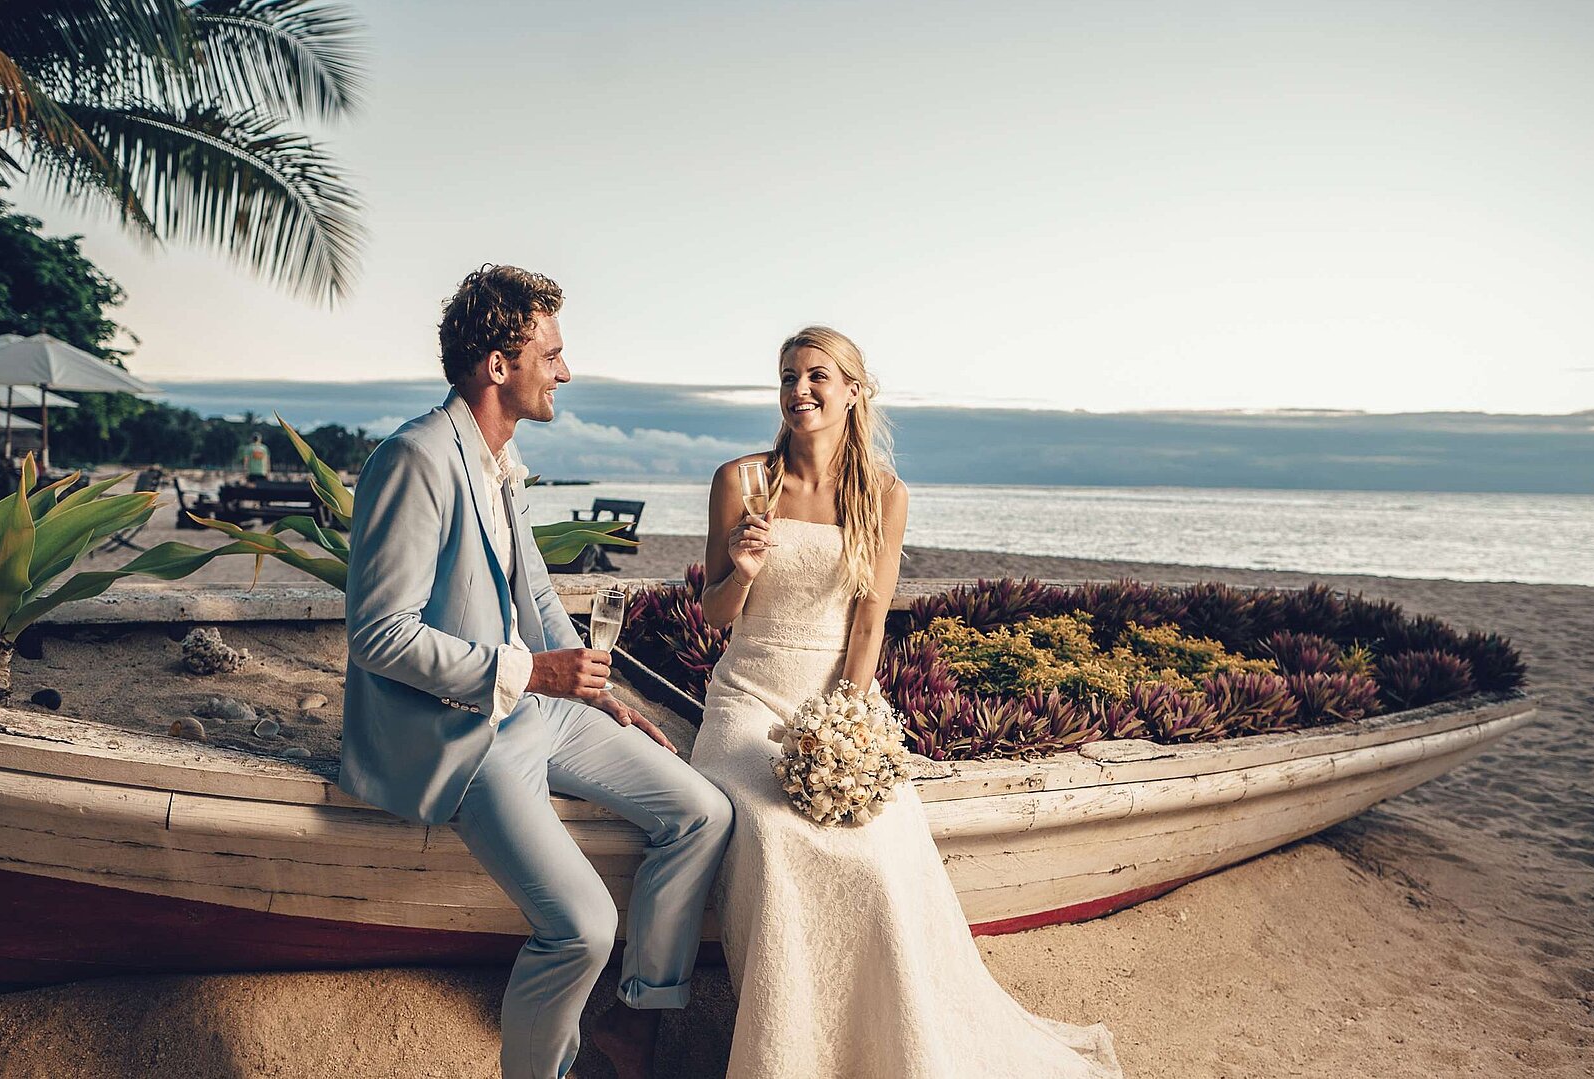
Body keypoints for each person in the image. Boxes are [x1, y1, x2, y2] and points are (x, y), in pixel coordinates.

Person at [692, 327, 1123, 1078]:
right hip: (747, 701)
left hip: (834, 702)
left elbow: (868, 625)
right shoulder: (740, 480)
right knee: (773, 833)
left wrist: (843, 728)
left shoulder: (884, 495)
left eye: (817, 375)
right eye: (788, 376)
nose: (800, 390)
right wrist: (743, 568)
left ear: (853, 391)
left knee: (880, 856)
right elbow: (714, 613)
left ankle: (879, 1047)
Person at [341, 264, 732, 1079]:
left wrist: (594, 687)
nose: (566, 371)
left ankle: (634, 1024)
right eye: (551, 354)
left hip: (543, 708)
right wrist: (531, 672)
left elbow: (538, 595)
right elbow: (380, 635)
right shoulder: (416, 458)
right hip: (465, 734)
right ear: (498, 365)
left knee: (703, 811)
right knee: (583, 927)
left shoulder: (499, 458)